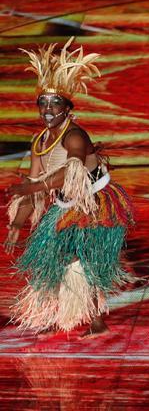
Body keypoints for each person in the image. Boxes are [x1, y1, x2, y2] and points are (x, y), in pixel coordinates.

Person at [5, 38, 133, 338]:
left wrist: (32, 188)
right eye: (44, 103)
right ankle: (56, 316)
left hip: (93, 204)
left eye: (55, 103)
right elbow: (35, 185)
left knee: (84, 261)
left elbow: (70, 174)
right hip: (64, 206)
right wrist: (17, 224)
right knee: (51, 261)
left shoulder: (74, 136)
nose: (48, 109)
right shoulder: (39, 142)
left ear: (67, 108)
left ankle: (97, 320)